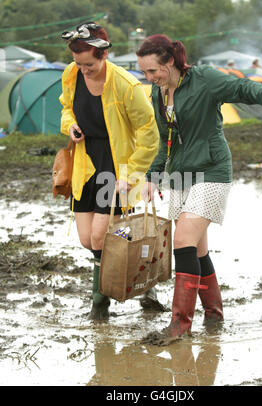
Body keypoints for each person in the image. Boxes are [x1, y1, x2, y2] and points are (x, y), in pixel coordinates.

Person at [136, 34, 262, 345]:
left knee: (181, 240)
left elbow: (239, 87)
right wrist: (152, 175)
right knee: (197, 249)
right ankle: (214, 315)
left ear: (170, 62)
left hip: (212, 169)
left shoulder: (204, 79)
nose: (149, 78)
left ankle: (179, 326)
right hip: (182, 173)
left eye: (153, 71)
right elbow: (164, 140)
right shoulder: (159, 94)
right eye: (144, 72)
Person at [59, 22, 163, 320]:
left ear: (104, 56)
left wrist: (132, 174)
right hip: (84, 162)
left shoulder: (125, 85)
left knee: (100, 239)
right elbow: (66, 107)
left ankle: (99, 305)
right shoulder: (71, 74)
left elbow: (149, 132)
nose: (83, 70)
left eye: (88, 64)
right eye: (78, 64)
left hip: (117, 166)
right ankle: (144, 277)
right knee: (86, 239)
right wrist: (70, 125)